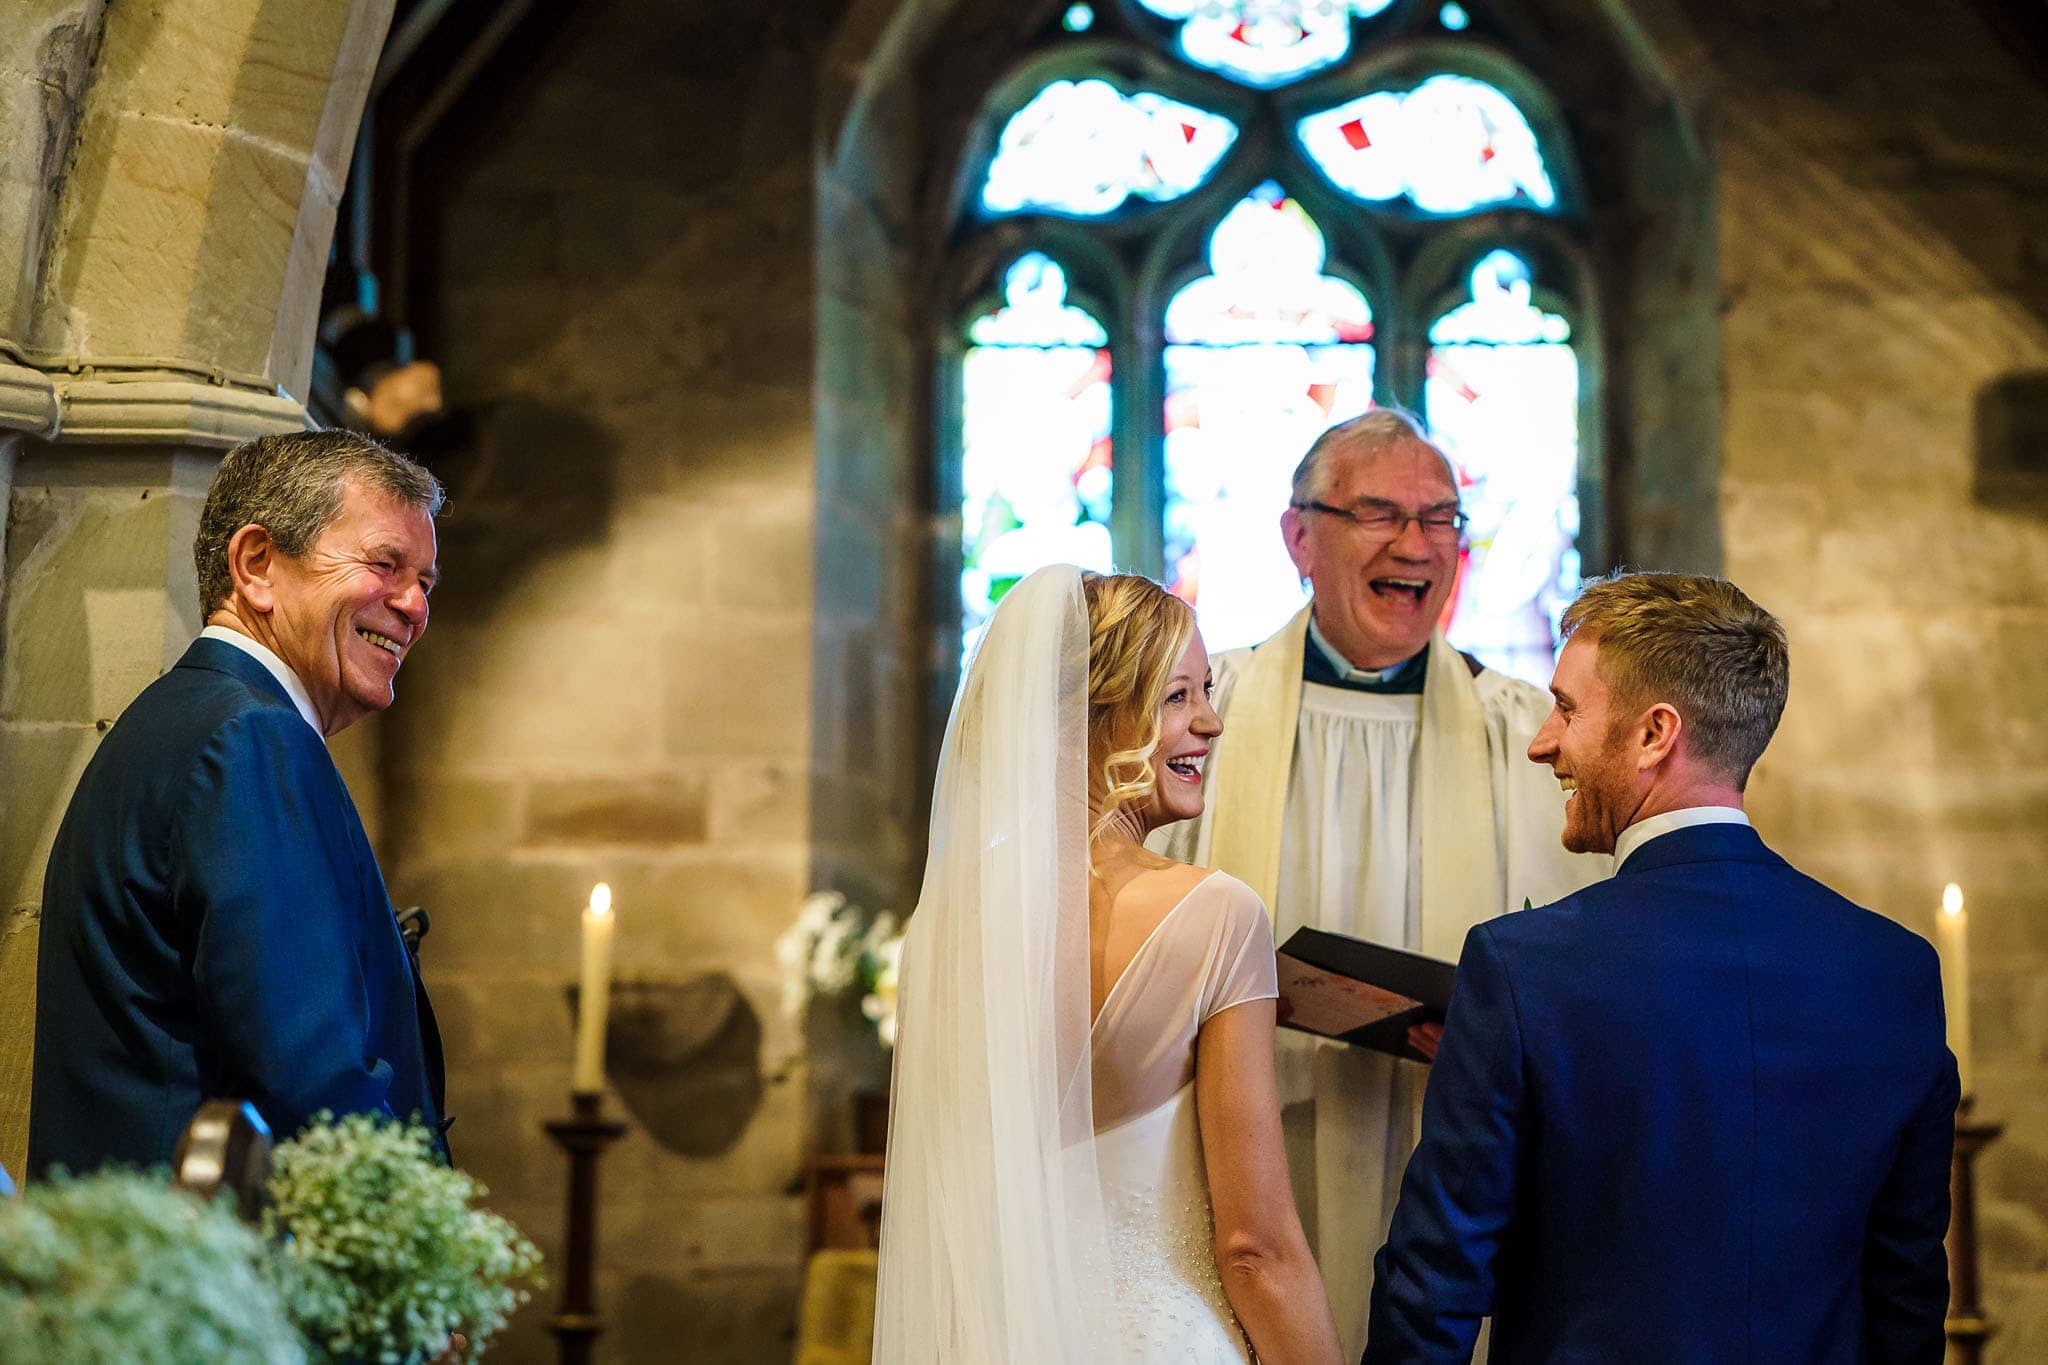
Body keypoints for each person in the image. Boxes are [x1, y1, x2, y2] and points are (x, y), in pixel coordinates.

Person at [1366, 572, 1957, 1363]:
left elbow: (1433, 1287)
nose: (1544, 742)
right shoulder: (1895, 972)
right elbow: (1906, 1297)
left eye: (1568, 708)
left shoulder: (1523, 969)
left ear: (1654, 733)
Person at [1155, 408, 1606, 1354]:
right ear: (1299, 537)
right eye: (1382, 514)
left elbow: (1584, 973)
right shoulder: (1203, 721)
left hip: (1448, 1168)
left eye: (1442, 519)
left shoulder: (1520, 735)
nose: (1418, 545)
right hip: (1238, 1159)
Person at [874, 567, 1341, 1362]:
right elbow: (1255, 1249)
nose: (1213, 722)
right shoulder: (1218, 916)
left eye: (1207, 692)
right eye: (1179, 697)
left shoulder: (943, 927)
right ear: (1100, 716)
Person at [29, 429, 449, 1178]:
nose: (414, 605)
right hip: (210, 1275)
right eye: (385, 564)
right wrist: (423, 1252)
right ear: (257, 564)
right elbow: (310, 1088)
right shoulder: (253, 740)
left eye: (426, 581)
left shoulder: (183, 719)